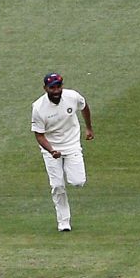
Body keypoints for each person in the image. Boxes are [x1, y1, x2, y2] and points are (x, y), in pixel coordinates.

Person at [30, 72, 93, 232]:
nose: (56, 91)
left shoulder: (72, 96)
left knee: (78, 182)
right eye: (52, 88)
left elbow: (84, 106)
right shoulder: (38, 107)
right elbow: (39, 135)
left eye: (59, 87)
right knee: (57, 185)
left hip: (71, 144)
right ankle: (64, 222)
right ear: (45, 88)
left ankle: (68, 166)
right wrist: (51, 151)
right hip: (51, 148)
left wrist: (89, 128)